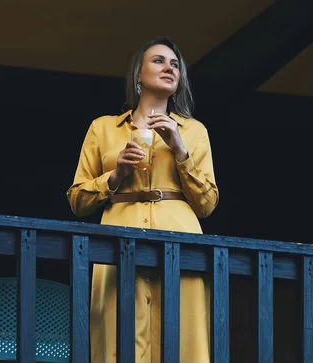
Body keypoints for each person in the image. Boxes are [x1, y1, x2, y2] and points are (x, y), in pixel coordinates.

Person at [66, 36, 219, 363]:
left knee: (183, 338)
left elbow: (207, 203)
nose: (169, 68)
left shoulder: (193, 131)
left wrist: (180, 150)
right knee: (118, 335)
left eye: (175, 65)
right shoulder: (103, 128)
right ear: (138, 74)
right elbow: (77, 200)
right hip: (119, 236)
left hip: (181, 239)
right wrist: (116, 175)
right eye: (159, 61)